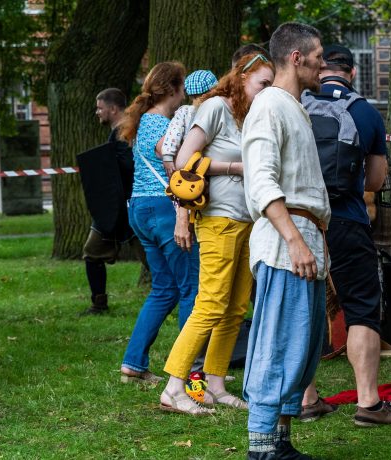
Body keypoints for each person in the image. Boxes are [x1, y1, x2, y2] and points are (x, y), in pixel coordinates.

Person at [158, 54, 274, 415]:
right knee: (210, 303)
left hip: (246, 219)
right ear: (241, 78)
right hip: (218, 218)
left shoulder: (248, 114)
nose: (267, 92)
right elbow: (181, 159)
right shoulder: (214, 108)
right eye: (263, 84)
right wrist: (234, 167)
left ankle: (215, 383)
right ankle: (174, 387)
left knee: (236, 306)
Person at [299, 44, 391, 427]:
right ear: (352, 73)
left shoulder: (297, 105)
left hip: (302, 222)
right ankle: (368, 403)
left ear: (319, 68)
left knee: (306, 308)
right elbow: (376, 181)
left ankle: (308, 398)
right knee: (362, 308)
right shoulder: (364, 112)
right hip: (347, 220)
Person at [241, 22, 328, 459]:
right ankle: (262, 447)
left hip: (305, 238)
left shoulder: (292, 106)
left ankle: (281, 443)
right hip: (284, 243)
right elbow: (260, 181)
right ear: (297, 58)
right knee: (278, 343)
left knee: (304, 345)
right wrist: (293, 240)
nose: (323, 64)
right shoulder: (269, 106)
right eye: (318, 57)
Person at [117, 62, 200, 384]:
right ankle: (190, 371)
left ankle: (134, 363)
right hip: (164, 211)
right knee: (190, 289)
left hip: (139, 208)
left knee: (164, 289)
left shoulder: (143, 121)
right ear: (175, 88)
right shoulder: (160, 124)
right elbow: (174, 162)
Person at [80, 88, 136, 315]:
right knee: (92, 252)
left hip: (131, 208)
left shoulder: (126, 132)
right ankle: (98, 304)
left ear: (113, 109)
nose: (97, 112)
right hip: (113, 208)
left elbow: (129, 170)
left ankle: (174, 297)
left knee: (153, 260)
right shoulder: (120, 131)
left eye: (100, 108)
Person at [160, 69, 218, 175]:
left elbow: (173, 133)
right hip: (210, 162)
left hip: (189, 162)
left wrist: (168, 156)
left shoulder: (185, 111)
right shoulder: (219, 110)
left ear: (190, 95)